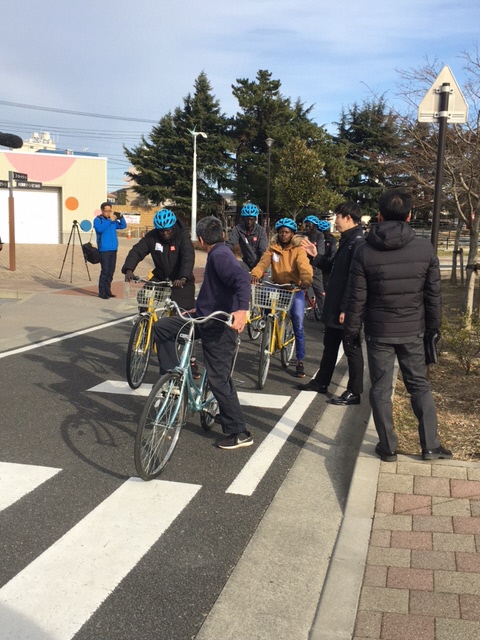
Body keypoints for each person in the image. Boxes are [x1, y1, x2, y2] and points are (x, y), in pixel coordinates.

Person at [344, 188, 452, 462]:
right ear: (409, 215)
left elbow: (356, 296)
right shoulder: (425, 247)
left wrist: (352, 331)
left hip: (379, 331)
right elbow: (433, 294)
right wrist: (434, 328)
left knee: (380, 388)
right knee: (419, 385)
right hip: (413, 329)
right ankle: (430, 446)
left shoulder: (365, 250)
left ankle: (388, 447)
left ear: (379, 215)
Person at [154, 216, 252, 450]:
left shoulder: (219, 255)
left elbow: (241, 279)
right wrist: (200, 307)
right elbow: (218, 289)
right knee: (163, 327)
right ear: (223, 235)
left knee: (219, 380)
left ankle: (240, 432)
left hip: (220, 325)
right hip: (204, 317)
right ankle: (172, 378)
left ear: (200, 240)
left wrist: (241, 310)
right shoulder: (220, 252)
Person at [298, 202, 364, 404]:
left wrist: (346, 307)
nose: (335, 221)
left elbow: (355, 279)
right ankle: (322, 381)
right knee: (330, 345)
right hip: (335, 304)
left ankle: (355, 391)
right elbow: (333, 267)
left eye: (338, 217)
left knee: (351, 347)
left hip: (346, 306)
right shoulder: (346, 240)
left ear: (348, 218)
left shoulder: (358, 243)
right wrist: (315, 256)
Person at [250, 218, 313, 378]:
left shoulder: (298, 249)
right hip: (277, 285)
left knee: (298, 321)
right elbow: (263, 263)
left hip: (294, 288)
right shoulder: (273, 248)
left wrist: (305, 280)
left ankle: (299, 360)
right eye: (281, 232)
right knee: (262, 293)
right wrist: (255, 274)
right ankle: (265, 319)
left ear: (292, 234)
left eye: (287, 232)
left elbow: (304, 266)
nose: (283, 235)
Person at [121, 208, 195, 310]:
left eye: (167, 230)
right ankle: (145, 320)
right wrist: (129, 269)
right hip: (161, 277)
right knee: (143, 297)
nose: (164, 233)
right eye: (161, 231)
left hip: (180, 279)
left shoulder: (182, 237)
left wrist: (183, 277)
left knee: (183, 310)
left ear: (173, 227)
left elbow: (188, 257)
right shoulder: (152, 237)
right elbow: (137, 251)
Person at [93, 202, 127, 299]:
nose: (108, 213)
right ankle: (102, 292)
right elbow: (99, 229)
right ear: (102, 211)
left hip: (113, 249)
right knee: (105, 271)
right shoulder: (98, 220)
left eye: (110, 211)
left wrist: (120, 217)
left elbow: (123, 226)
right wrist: (109, 220)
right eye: (106, 211)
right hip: (104, 250)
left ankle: (107, 291)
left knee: (111, 272)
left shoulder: (112, 221)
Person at [226, 203, 268, 271]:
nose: (249, 222)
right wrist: (223, 253)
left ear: (255, 219)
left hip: (260, 265)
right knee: (233, 265)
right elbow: (230, 243)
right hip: (246, 265)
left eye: (251, 219)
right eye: (247, 219)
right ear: (243, 219)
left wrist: (259, 269)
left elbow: (263, 251)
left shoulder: (261, 231)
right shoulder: (238, 229)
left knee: (264, 279)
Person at [299, 215, 325, 317]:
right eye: (306, 225)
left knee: (319, 292)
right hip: (303, 266)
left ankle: (324, 316)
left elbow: (321, 252)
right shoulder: (302, 235)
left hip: (315, 268)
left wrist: (313, 253)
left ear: (315, 226)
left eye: (309, 226)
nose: (307, 228)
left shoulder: (319, 236)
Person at [317, 218, 337, 289]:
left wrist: (330, 261)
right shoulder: (317, 238)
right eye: (326, 231)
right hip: (316, 264)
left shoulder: (331, 239)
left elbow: (333, 251)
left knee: (325, 285)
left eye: (328, 230)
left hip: (326, 264)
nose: (328, 233)